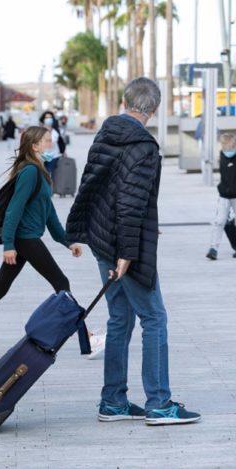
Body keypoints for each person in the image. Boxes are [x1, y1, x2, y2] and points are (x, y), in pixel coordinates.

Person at [66, 77, 201, 425]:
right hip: (125, 245)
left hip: (101, 239)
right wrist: (126, 253)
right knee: (154, 318)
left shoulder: (105, 133)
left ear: (126, 102)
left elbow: (93, 186)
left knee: (120, 319)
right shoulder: (143, 145)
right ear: (153, 110)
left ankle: (113, 402)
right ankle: (159, 403)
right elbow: (128, 201)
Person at [0, 126, 91, 360]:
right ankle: (86, 337)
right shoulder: (30, 172)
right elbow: (14, 210)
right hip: (24, 238)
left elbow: (49, 216)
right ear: (35, 146)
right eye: (47, 141)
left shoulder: (41, 171)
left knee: (0, 287)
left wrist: (68, 242)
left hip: (26, 238)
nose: (51, 144)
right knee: (61, 282)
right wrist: (8, 244)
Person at [206, 133, 236, 260]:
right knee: (219, 221)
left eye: (227, 145)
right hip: (224, 194)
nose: (224, 147)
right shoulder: (222, 155)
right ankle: (213, 248)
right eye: (223, 145)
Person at [39, 110, 66, 177]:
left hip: (54, 156)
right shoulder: (39, 130)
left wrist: (64, 152)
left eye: (50, 117)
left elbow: (60, 141)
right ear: (43, 119)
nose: (48, 119)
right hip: (42, 156)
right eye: (46, 117)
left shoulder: (56, 130)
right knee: (42, 174)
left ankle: (50, 186)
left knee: (50, 174)